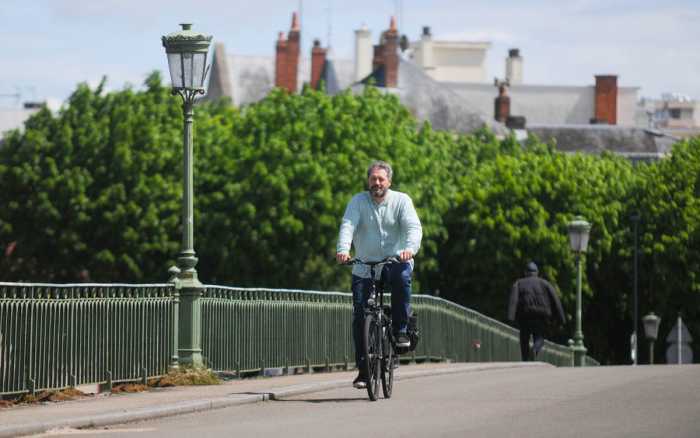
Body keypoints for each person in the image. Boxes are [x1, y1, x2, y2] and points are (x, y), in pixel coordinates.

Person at [336, 160, 422, 388]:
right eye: (373, 179)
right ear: (368, 181)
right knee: (360, 316)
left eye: (381, 179)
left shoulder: (401, 201)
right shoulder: (358, 202)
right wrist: (343, 250)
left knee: (403, 278)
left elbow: (413, 228)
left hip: (394, 261)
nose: (377, 183)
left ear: (389, 181)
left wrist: (409, 250)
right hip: (364, 265)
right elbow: (348, 225)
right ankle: (364, 372)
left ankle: (400, 330)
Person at [508, 261, 566, 361]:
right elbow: (556, 301)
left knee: (524, 339)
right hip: (541, 317)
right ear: (537, 272)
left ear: (525, 272)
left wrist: (510, 318)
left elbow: (513, 301)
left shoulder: (518, 283)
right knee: (540, 337)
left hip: (525, 316)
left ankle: (525, 359)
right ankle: (535, 349)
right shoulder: (545, 283)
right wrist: (561, 319)